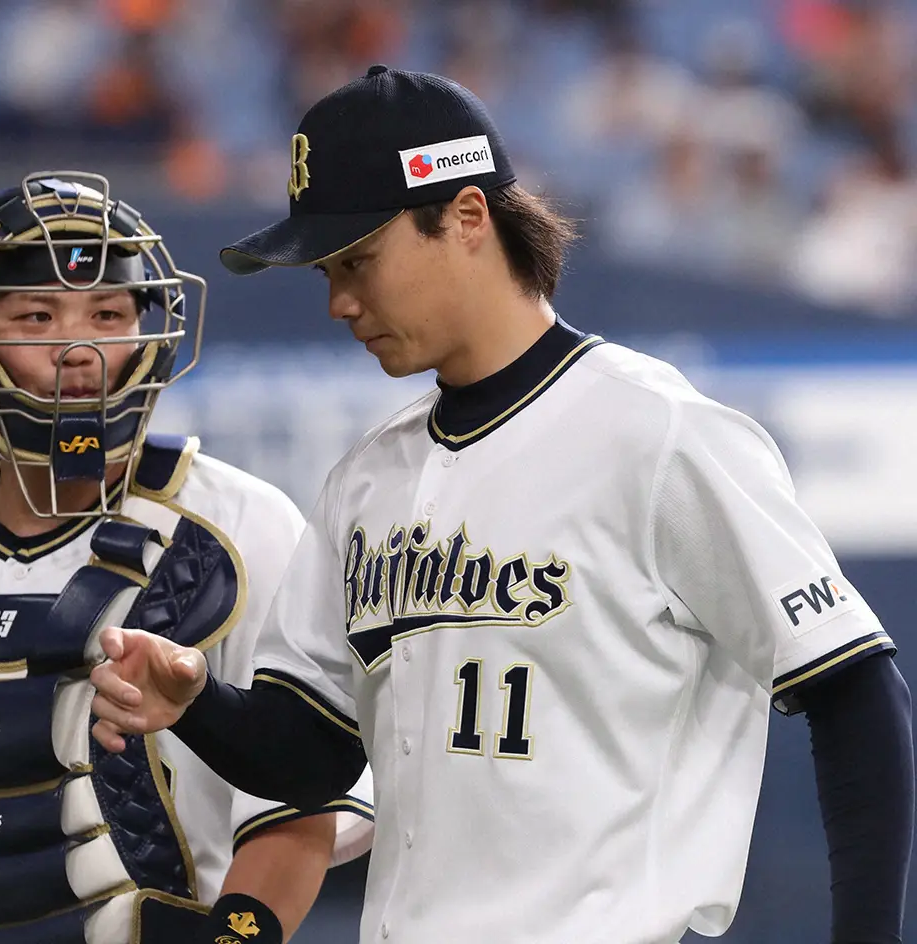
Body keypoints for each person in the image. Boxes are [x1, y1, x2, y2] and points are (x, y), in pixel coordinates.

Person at [90, 67, 914, 943]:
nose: (339, 302)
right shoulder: (366, 480)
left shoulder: (659, 432)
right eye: (327, 272)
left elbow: (856, 693)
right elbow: (313, 753)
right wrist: (198, 705)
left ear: (468, 218)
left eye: (359, 260)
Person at [0, 172, 373, 944]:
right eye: (35, 315)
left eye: (108, 314)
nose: (79, 349)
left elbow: (299, 810)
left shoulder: (238, 529)